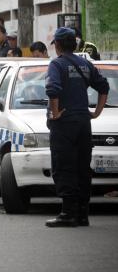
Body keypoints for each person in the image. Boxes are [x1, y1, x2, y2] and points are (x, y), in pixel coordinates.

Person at [45, 27, 109, 227]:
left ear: (58, 45)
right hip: (83, 122)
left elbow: (52, 89)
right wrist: (97, 112)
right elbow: (104, 86)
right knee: (82, 167)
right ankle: (82, 213)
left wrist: (55, 113)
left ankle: (68, 213)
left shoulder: (57, 64)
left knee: (64, 167)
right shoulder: (85, 64)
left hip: (64, 124)